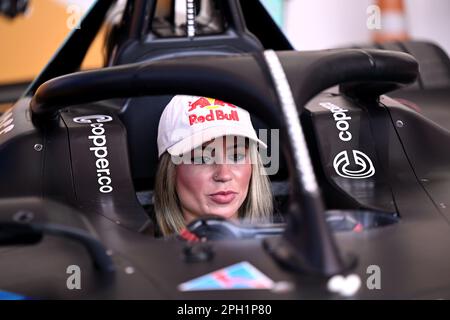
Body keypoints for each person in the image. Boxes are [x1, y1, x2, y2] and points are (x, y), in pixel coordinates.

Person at [154, 95, 273, 236]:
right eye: (202, 159)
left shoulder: (285, 250)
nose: (224, 175)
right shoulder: (146, 257)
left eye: (236, 156)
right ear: (170, 172)